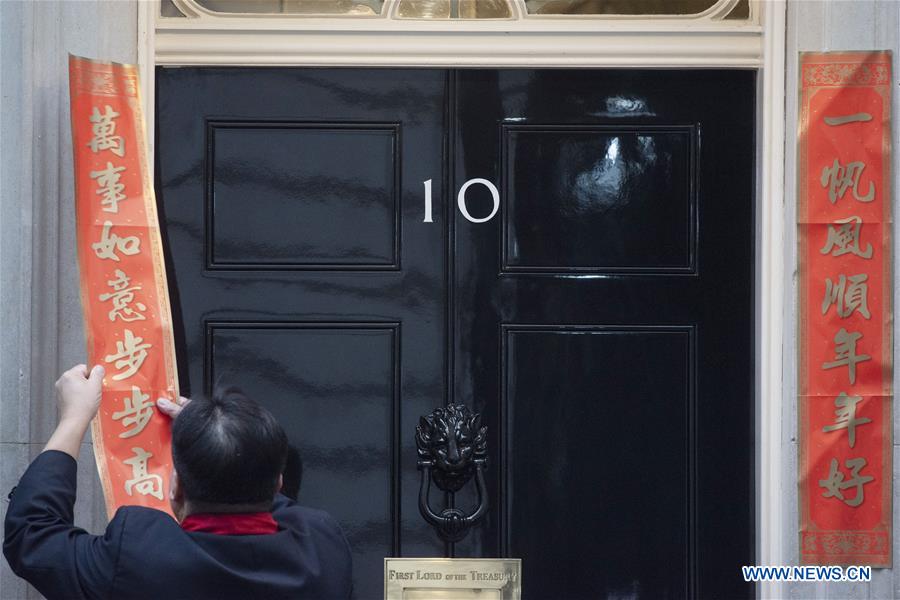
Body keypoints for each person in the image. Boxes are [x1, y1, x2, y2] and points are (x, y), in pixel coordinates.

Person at [3, 364, 352, 599]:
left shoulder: (138, 558)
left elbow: (32, 534)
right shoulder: (323, 551)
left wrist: (73, 418)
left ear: (176, 489)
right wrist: (215, 442)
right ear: (279, 485)